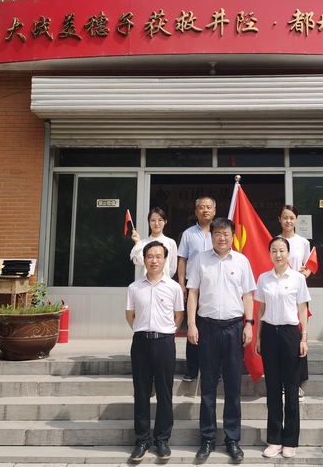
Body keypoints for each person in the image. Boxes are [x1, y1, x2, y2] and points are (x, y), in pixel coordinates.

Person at [186, 217, 256, 461]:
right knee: (207, 386)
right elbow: (192, 293)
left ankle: (232, 439)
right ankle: (207, 438)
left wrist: (249, 324)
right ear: (211, 236)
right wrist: (191, 324)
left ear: (233, 236)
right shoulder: (200, 260)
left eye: (226, 234)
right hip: (207, 328)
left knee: (233, 386)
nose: (222, 238)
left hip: (235, 328)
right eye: (217, 234)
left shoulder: (242, 261)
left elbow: (248, 295)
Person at [125, 241, 185, 462]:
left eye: (158, 256)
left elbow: (179, 316)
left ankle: (162, 440)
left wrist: (166, 333)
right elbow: (130, 315)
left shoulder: (173, 287)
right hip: (141, 343)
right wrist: (143, 331)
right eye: (150, 256)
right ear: (144, 259)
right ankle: (142, 440)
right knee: (141, 392)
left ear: (165, 260)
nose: (154, 260)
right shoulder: (134, 287)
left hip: (164, 343)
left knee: (164, 392)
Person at [254, 236, 310, 459]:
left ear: (288, 253)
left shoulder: (298, 278)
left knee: (292, 388)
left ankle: (290, 440)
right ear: (269, 254)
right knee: (273, 388)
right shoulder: (263, 278)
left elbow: (303, 309)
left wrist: (304, 338)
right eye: (274, 251)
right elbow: (260, 309)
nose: (278, 255)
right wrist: (258, 337)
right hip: (269, 333)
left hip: (290, 334)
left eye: (282, 251)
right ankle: (275, 439)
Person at [177, 196, 216, 382]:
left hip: (215, 287)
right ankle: (192, 369)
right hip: (193, 287)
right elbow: (182, 260)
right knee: (193, 325)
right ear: (196, 211)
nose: (205, 210)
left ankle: (214, 370)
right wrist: (181, 284)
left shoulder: (220, 233)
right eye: (201, 207)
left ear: (214, 211)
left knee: (214, 328)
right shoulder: (188, 234)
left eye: (209, 207)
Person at [278, 204, 313, 399]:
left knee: (299, 339)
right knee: (283, 341)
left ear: (296, 220)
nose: (288, 221)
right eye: (285, 217)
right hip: (279, 296)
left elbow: (308, 266)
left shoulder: (303, 242)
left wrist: (306, 273)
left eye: (291, 217)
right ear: (279, 220)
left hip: (298, 295)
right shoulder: (275, 241)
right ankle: (283, 382)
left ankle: (297, 383)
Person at [130, 207, 178, 278]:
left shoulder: (171, 243)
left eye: (160, 220)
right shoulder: (142, 243)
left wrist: (162, 279)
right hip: (145, 282)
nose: (156, 223)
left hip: (164, 283)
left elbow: (172, 267)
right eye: (153, 220)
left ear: (165, 222)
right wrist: (137, 243)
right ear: (148, 222)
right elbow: (139, 263)